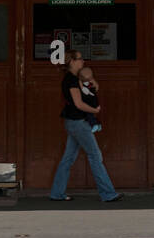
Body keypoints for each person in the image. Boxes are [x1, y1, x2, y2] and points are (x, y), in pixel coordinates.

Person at [49, 50, 122, 203]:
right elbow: (79, 104)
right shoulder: (71, 80)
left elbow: (90, 91)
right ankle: (108, 193)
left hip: (74, 122)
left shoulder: (75, 78)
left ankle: (57, 193)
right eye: (80, 59)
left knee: (68, 159)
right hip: (78, 123)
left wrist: (93, 81)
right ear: (72, 62)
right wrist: (95, 111)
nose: (83, 61)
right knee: (95, 156)